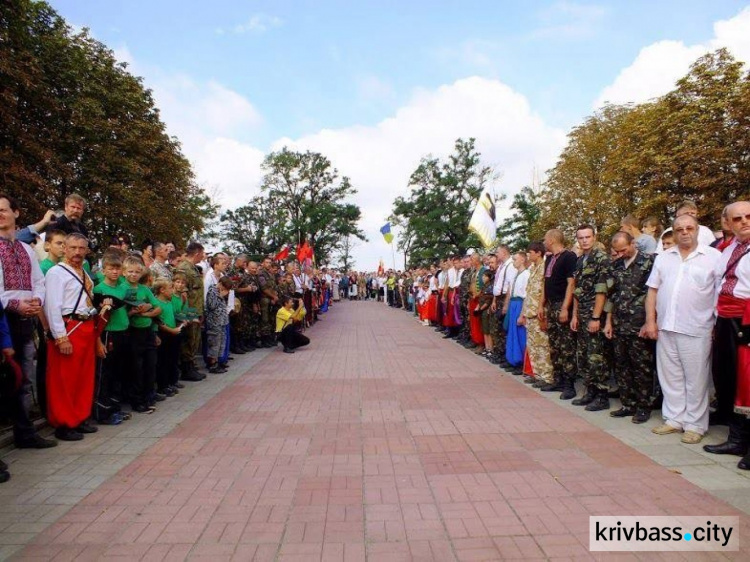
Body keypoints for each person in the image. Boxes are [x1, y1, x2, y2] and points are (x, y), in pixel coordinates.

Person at [641, 215, 721, 443]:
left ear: (697, 230)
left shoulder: (713, 257)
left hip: (697, 327)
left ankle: (695, 425)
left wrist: (716, 323)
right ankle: (674, 419)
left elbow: (718, 293)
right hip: (666, 326)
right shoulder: (664, 258)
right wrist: (650, 321)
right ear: (673, 233)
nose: (685, 232)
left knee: (696, 379)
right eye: (679, 229)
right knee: (670, 376)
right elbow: (652, 291)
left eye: (689, 228)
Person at [0, 194, 56, 449]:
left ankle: (24, 433)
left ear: (16, 213)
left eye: (3, 209)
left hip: (25, 319)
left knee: (23, 378)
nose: (0, 214)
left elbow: (39, 282)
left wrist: (35, 301)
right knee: (5, 379)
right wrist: (13, 303)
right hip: (3, 319)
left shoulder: (25, 249)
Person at [704, 201, 750, 468]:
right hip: (726, 317)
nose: (744, 221)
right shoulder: (730, 248)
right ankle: (737, 438)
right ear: (729, 223)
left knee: (748, 381)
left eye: (748, 216)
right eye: (737, 218)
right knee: (729, 378)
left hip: (746, 316)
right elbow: (719, 284)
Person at [44, 233, 99, 441]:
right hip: (69, 328)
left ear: (86, 251)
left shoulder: (83, 271)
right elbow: (52, 307)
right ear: (64, 248)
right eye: (73, 247)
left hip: (85, 327)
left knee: (83, 377)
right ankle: (64, 422)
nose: (77, 252)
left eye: (81, 248)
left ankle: (79, 417)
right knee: (64, 379)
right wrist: (60, 337)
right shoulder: (56, 273)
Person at [604, 232, 655, 424]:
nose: (620, 254)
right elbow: (612, 295)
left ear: (633, 243)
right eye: (616, 251)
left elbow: (653, 294)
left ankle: (643, 406)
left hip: (639, 324)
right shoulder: (616, 265)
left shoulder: (649, 262)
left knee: (641, 366)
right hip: (619, 324)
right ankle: (627, 404)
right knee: (622, 366)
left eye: (624, 250)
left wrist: (649, 321)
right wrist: (608, 321)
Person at [570, 225, 612, 412]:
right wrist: (574, 315)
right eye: (581, 238)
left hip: (595, 315)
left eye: (587, 237)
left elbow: (602, 290)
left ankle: (602, 395)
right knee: (585, 355)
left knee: (597, 356)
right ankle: (590, 392)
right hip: (582, 313)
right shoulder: (580, 260)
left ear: (594, 237)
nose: (584, 240)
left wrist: (596, 318)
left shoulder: (602, 258)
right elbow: (577, 291)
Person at [92, 249, 129, 424]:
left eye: (117, 268)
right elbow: (95, 314)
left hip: (123, 331)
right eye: (110, 268)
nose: (114, 272)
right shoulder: (99, 289)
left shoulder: (122, 287)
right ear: (103, 270)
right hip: (108, 333)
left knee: (117, 373)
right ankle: (102, 412)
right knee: (104, 373)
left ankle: (114, 408)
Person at [542, 229, 578, 400]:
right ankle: (558, 379)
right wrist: (542, 304)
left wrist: (565, 308)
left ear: (552, 239)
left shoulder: (569, 257)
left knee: (566, 345)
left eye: (545, 239)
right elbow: (545, 283)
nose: (544, 241)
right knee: (554, 344)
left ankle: (569, 384)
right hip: (550, 304)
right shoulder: (549, 257)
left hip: (561, 304)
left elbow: (571, 284)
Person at [123, 256, 162, 412]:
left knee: (150, 365)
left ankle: (148, 396)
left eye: (137, 272)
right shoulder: (122, 287)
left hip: (147, 331)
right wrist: (132, 312)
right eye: (130, 272)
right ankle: (137, 401)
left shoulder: (144, 289)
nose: (134, 275)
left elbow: (157, 307)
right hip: (132, 331)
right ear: (124, 272)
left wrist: (146, 311)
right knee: (136, 368)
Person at [521, 242, 554, 388]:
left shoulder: (544, 267)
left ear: (538, 253)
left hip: (539, 312)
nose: (529, 255)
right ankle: (537, 374)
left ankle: (547, 377)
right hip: (530, 312)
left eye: (530, 253)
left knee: (543, 346)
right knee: (533, 346)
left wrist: (542, 309)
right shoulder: (533, 268)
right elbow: (529, 292)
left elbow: (544, 291)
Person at [177, 242, 206, 380]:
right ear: (197, 253)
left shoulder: (193, 268)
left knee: (194, 339)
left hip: (195, 309)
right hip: (188, 310)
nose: (203, 256)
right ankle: (186, 369)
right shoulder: (183, 268)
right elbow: (182, 292)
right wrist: (188, 313)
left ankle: (191, 365)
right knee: (188, 339)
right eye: (202, 253)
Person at [153, 278, 184, 397]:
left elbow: (174, 314)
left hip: (173, 333)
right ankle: (162, 386)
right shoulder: (157, 303)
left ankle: (171, 381)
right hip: (164, 334)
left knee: (172, 358)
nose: (172, 290)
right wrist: (172, 330)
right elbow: (159, 323)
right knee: (162, 361)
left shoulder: (168, 301)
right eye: (170, 288)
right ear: (162, 290)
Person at [504, 252, 529, 371]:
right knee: (512, 333)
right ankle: (513, 359)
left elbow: (526, 295)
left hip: (520, 304)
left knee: (520, 334)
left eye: (515, 259)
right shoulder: (515, 274)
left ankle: (521, 362)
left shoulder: (526, 274)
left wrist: (522, 313)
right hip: (513, 304)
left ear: (523, 260)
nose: (513, 261)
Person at [205, 276, 232, 374]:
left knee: (222, 342)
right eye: (225, 288)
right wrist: (220, 296)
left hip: (222, 321)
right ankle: (213, 363)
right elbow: (211, 306)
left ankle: (219, 361)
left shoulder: (220, 292)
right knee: (214, 343)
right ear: (220, 284)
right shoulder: (212, 292)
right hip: (214, 322)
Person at [258, 257, 279, 347]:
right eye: (266, 262)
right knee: (265, 320)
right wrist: (273, 296)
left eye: (270, 262)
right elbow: (264, 288)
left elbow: (273, 287)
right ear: (262, 263)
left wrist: (275, 296)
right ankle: (264, 340)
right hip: (264, 300)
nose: (269, 264)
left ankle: (269, 338)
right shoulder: (261, 274)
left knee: (270, 319)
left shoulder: (270, 274)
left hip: (271, 300)